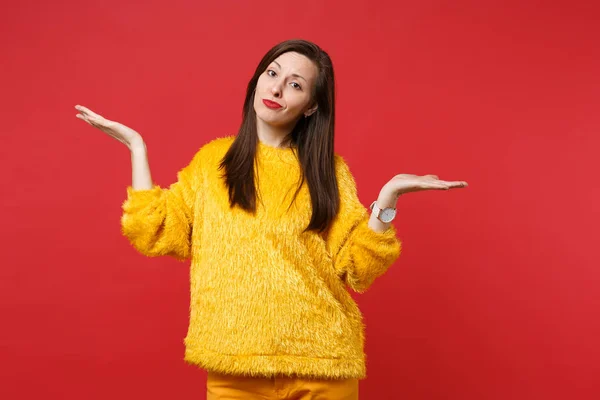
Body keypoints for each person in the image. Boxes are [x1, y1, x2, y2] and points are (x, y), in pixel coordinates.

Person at [75, 39, 467, 400]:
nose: (277, 89)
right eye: (272, 73)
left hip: (323, 365)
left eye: (296, 85)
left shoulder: (328, 171)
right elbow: (156, 229)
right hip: (235, 367)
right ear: (258, 81)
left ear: (312, 105)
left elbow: (356, 268)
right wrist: (136, 147)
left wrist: (387, 200)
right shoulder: (214, 162)